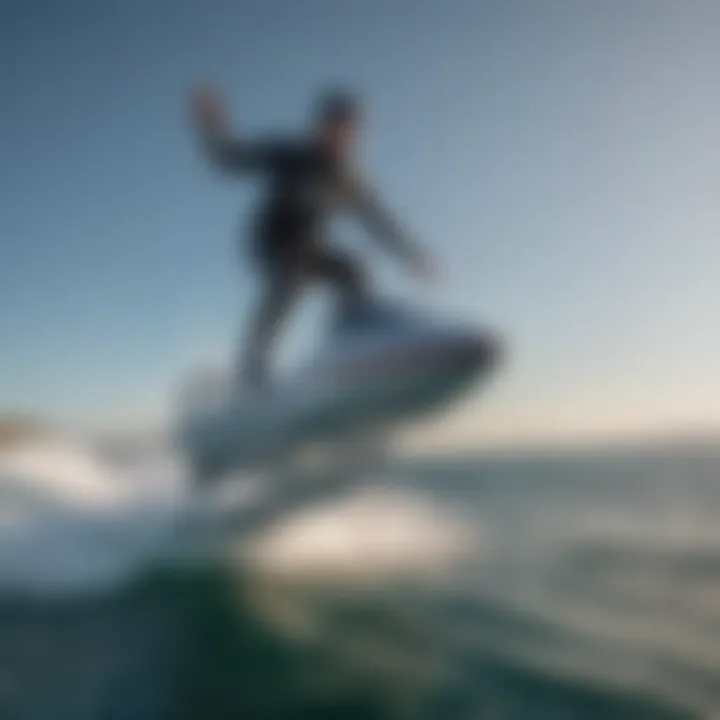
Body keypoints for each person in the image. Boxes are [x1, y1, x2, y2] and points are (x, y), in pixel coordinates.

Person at [189, 85, 436, 389]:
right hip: (270, 242)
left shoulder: (348, 180)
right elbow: (229, 159)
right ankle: (252, 368)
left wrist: (411, 255)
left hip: (308, 248)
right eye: (335, 127)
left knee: (352, 271)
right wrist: (211, 125)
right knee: (292, 277)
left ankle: (353, 337)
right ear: (320, 127)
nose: (343, 137)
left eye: (350, 131)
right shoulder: (291, 155)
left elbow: (379, 222)